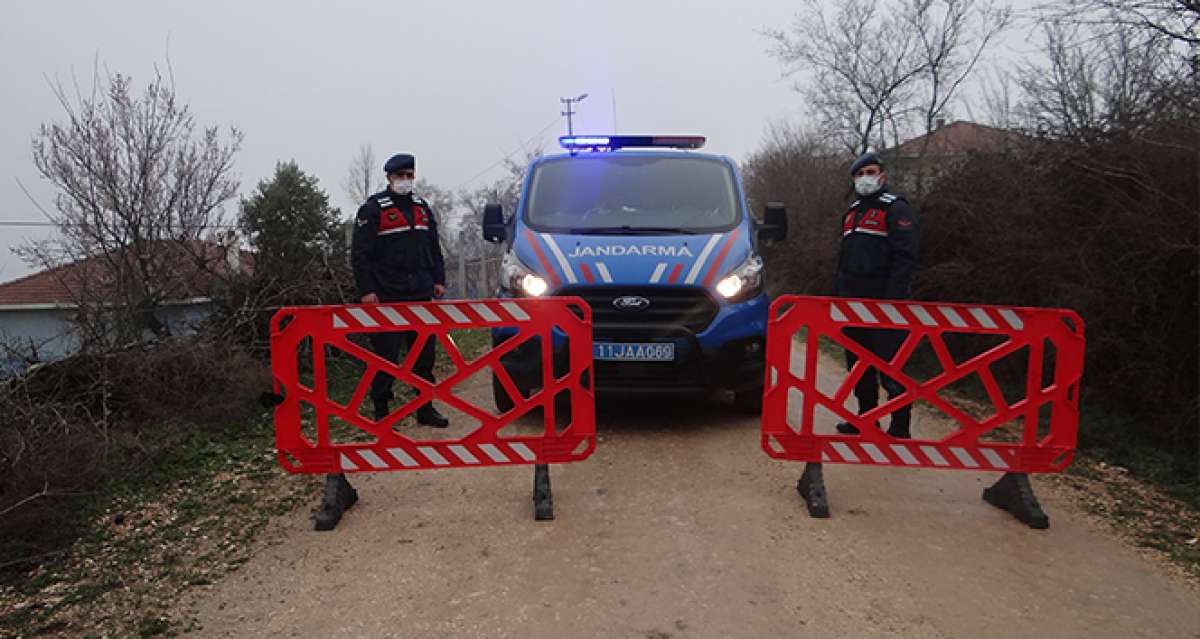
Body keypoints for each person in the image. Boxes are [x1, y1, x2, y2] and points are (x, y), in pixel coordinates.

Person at [314, 152, 449, 531]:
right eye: (400, 175)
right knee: (386, 358)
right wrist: (367, 291)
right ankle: (382, 413)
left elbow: (434, 248)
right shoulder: (373, 210)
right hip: (387, 296)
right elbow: (360, 254)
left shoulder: (422, 209)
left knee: (423, 354)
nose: (406, 179)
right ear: (389, 177)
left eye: (410, 174)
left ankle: (426, 408)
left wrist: (438, 278)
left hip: (421, 292)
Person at [833, 152, 920, 439]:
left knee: (891, 367)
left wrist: (892, 301)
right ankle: (865, 418)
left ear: (882, 175)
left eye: (870, 172)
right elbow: (844, 260)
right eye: (859, 174)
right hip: (852, 304)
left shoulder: (895, 209)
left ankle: (900, 426)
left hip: (885, 303)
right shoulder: (853, 212)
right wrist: (838, 298)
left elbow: (905, 257)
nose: (865, 178)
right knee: (858, 367)